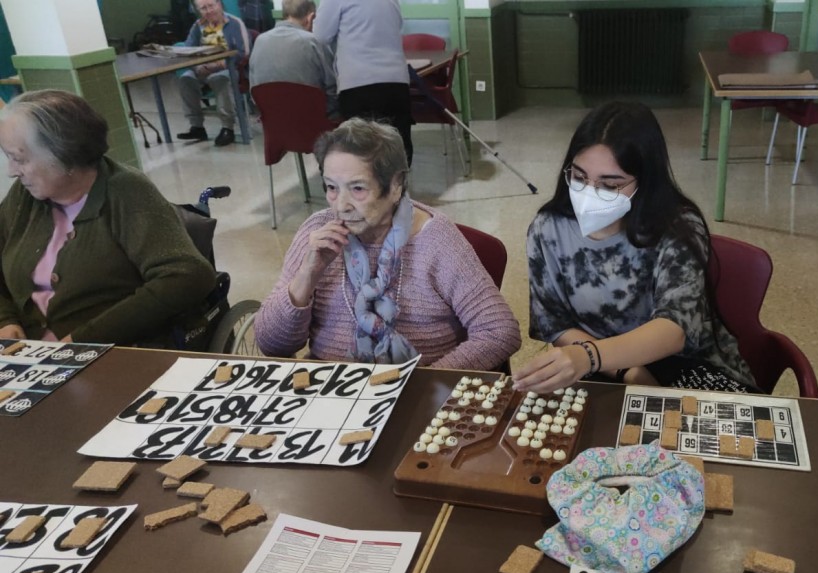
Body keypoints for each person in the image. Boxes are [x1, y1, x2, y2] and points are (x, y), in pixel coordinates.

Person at [513, 102, 757, 395]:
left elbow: (674, 329)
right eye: (578, 177)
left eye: (609, 185)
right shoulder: (548, 229)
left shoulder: (677, 227)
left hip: (684, 363)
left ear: (645, 182)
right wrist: (623, 370)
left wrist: (590, 356)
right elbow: (554, 324)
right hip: (597, 366)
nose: (588, 194)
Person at [254, 118, 520, 369]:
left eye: (358, 189)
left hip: (417, 385)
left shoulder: (437, 242)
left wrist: (427, 384)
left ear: (395, 186)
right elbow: (271, 345)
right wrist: (307, 275)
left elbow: (499, 331)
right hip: (332, 386)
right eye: (332, 188)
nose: (341, 205)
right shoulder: (316, 232)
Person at [0, 90, 216, 344]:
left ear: (62, 153)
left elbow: (188, 275)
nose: (12, 171)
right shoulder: (25, 195)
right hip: (32, 351)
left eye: (19, 159)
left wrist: (86, 338)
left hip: (115, 350)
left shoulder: (126, 191)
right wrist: (5, 319)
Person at [313, 0, 413, 165]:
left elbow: (320, 35)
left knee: (362, 153)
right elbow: (397, 25)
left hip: (359, 82)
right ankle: (400, 182)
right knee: (399, 146)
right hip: (396, 80)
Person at [176, 0, 250, 147]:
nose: (208, 11)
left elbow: (244, 52)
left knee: (220, 78)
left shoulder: (234, 23)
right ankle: (197, 126)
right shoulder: (198, 25)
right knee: (185, 79)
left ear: (219, 4)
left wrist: (218, 65)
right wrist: (197, 67)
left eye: (211, 5)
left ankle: (227, 128)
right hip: (202, 68)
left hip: (228, 67)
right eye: (203, 8)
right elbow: (188, 50)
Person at [249, 0, 337, 117]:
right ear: (311, 17)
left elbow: (254, 91)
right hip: (314, 120)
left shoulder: (259, 41)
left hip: (274, 121)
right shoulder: (314, 42)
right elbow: (332, 88)